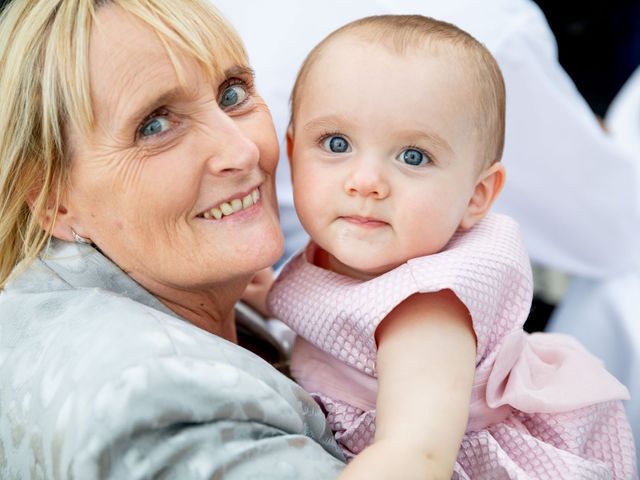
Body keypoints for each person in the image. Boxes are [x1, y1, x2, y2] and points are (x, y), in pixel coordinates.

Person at [267, 15, 637, 479]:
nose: (365, 182)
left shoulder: (425, 312)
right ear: (293, 149)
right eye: (336, 143)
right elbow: (323, 310)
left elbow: (415, 456)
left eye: (413, 156)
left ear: (476, 196)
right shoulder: (344, 250)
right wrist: (261, 293)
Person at [0, 1, 346, 478]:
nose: (242, 150)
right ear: (55, 202)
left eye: (231, 94)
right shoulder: (162, 401)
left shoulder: (190, 286)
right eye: (155, 125)